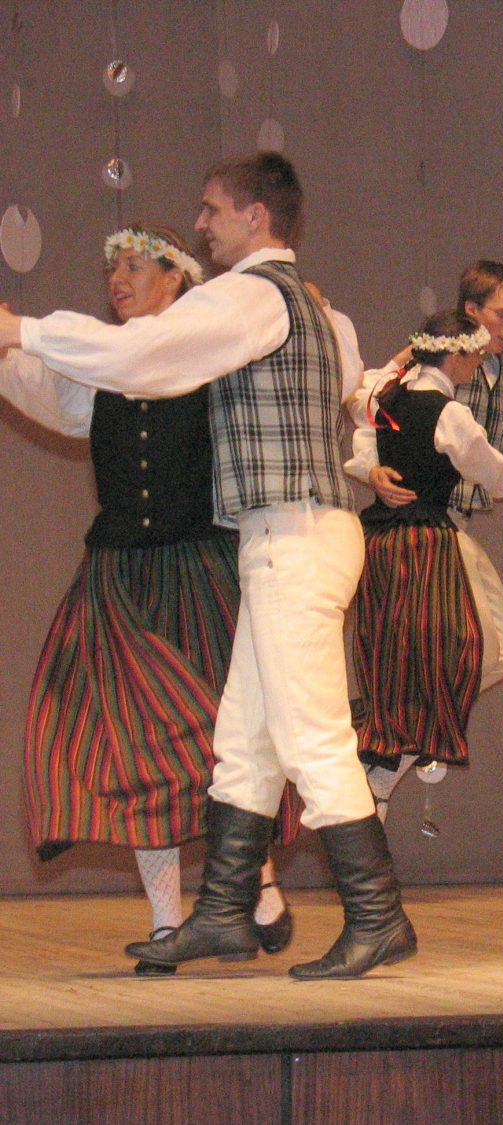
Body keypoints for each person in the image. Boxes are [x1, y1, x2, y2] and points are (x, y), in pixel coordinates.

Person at [0, 151, 416, 979]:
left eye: (212, 210)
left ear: (255, 216)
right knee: (243, 743)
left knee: (311, 738)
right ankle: (226, 910)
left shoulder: (254, 295)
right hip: (281, 535)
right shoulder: (298, 304)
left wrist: (22, 330)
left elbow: (145, 353)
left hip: (295, 535)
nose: (201, 223)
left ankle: (379, 916)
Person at [0, 224, 297, 974]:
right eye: (114, 269)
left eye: (135, 265)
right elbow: (39, 383)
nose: (119, 280)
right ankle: (168, 920)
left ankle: (253, 876)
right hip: (118, 575)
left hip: (197, 571)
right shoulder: (97, 369)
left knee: (219, 736)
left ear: (177, 279)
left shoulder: (214, 360)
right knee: (133, 749)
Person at [350, 311, 503, 813]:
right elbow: (491, 470)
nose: (479, 364)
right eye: (475, 355)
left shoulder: (389, 396)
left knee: (407, 665)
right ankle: (379, 760)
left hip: (382, 544)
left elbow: (363, 410)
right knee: (451, 657)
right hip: (424, 547)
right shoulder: (448, 413)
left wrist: (371, 469)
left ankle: (380, 759)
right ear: (455, 356)